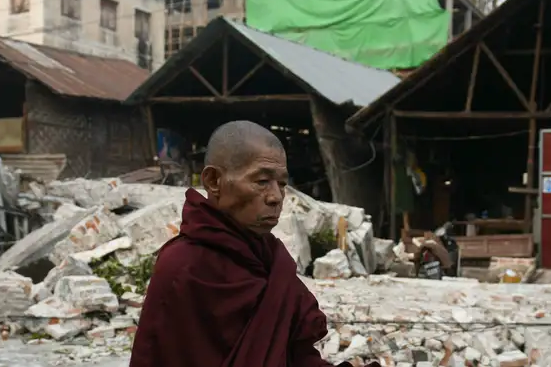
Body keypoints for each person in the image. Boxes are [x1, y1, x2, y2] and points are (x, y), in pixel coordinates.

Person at [130, 121, 377, 367]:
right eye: (262, 181)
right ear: (214, 181)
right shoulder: (183, 266)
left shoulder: (271, 260)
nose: (276, 197)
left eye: (282, 184)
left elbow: (296, 357)